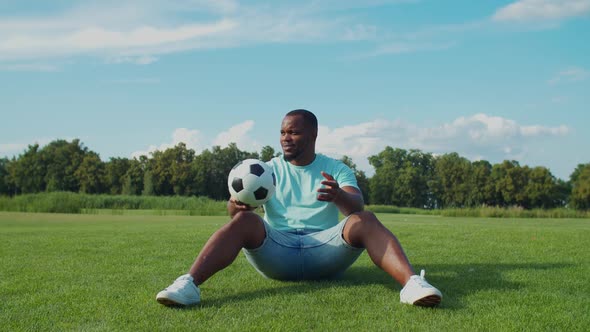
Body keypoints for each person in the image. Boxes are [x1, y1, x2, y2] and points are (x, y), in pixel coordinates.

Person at [156, 109, 442, 307]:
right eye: (282, 132)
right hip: (277, 252)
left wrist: (339, 196)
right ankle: (188, 285)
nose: (285, 138)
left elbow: (357, 204)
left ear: (313, 135)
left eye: (293, 132)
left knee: (364, 219)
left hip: (325, 250)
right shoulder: (265, 171)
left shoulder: (335, 168)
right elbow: (236, 218)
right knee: (246, 222)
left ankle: (412, 285)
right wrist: (237, 205)